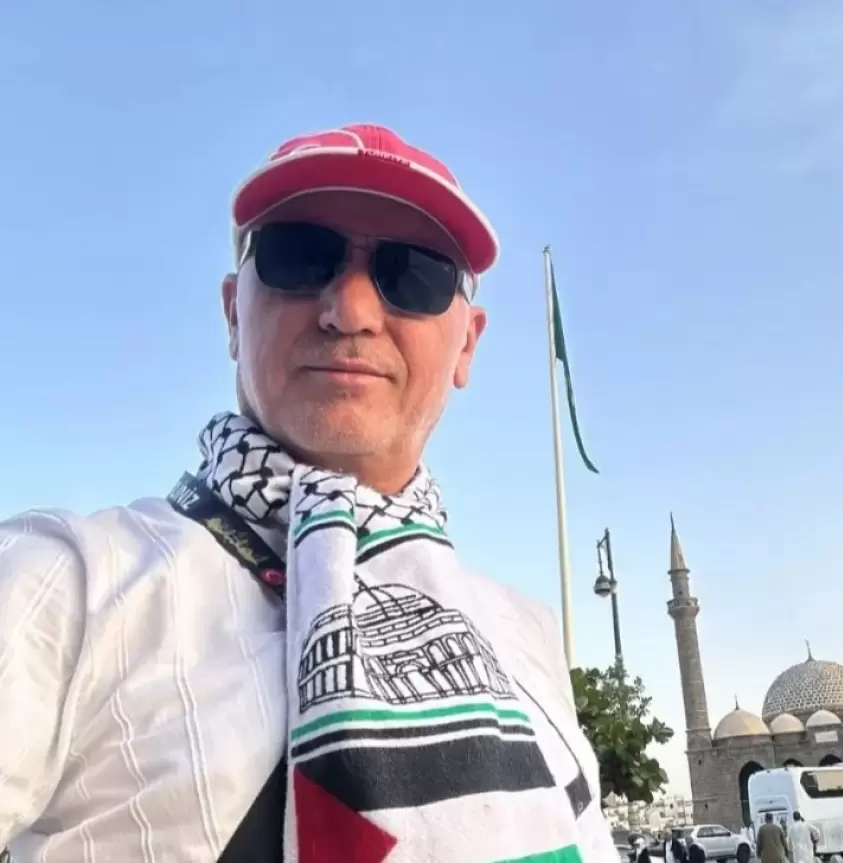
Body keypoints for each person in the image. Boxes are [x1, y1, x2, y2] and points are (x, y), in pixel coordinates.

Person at [0, 124, 615, 862]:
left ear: (468, 344)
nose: (350, 310)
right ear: (234, 313)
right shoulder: (68, 586)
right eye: (299, 255)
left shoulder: (524, 636)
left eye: (413, 273)